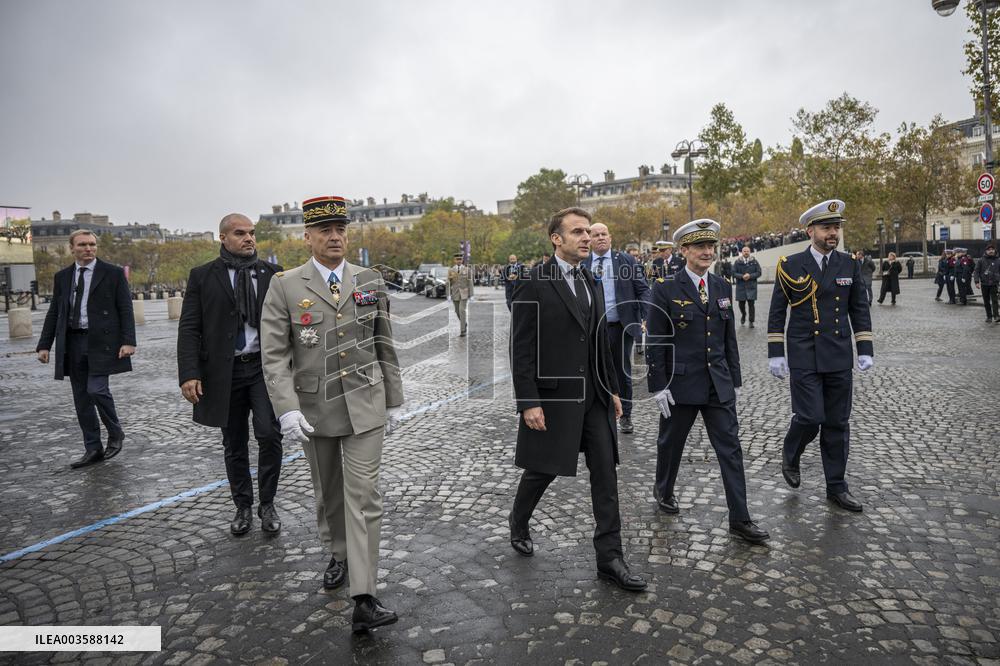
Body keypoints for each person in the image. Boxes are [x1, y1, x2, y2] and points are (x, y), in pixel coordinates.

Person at [260, 196, 404, 633]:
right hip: (315, 408)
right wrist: (285, 410)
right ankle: (339, 552)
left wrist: (393, 398)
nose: (335, 236)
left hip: (365, 404)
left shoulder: (370, 279)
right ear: (307, 236)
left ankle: (364, 595)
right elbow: (274, 355)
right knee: (330, 495)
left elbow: (384, 340)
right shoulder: (285, 285)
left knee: (364, 497)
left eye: (340, 228)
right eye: (325, 230)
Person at [507, 207, 647, 592]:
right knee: (543, 469)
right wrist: (528, 402)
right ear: (557, 238)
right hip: (554, 399)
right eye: (578, 232)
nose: (587, 238)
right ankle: (519, 519)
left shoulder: (591, 279)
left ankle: (610, 559)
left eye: (589, 232)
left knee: (605, 474)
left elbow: (601, 342)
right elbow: (521, 349)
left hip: (596, 399)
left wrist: (614, 389)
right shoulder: (534, 282)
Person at [645, 220, 769, 544]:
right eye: (699, 247)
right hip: (681, 386)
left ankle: (740, 518)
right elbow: (657, 340)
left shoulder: (721, 286)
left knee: (730, 450)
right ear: (683, 251)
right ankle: (664, 490)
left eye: (710, 246)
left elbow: (729, 338)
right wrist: (658, 385)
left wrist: (735, 379)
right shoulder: (665, 288)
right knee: (670, 445)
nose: (706, 252)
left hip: (718, 384)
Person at [177, 213, 284, 535]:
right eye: (240, 233)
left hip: (265, 369)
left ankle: (268, 503)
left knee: (269, 434)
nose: (249, 238)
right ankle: (243, 507)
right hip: (224, 372)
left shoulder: (273, 275)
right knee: (234, 442)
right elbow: (189, 327)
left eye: (252, 233)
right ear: (222, 237)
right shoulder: (202, 276)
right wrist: (189, 373)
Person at [767, 200, 873, 512]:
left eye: (837, 227)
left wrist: (864, 348)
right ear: (810, 230)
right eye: (827, 227)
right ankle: (792, 450)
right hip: (804, 353)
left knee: (838, 423)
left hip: (839, 354)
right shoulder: (790, 264)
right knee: (811, 417)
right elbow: (776, 312)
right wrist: (776, 353)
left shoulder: (848, 264)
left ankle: (837, 487)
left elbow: (859, 309)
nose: (833, 233)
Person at [36, 230, 135, 469]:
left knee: (96, 389)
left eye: (92, 244)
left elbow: (125, 308)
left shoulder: (112, 273)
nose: (88, 248)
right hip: (73, 342)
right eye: (82, 245)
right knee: (81, 399)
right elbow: (54, 312)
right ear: (72, 248)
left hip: (102, 342)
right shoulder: (63, 276)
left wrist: (129, 341)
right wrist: (44, 345)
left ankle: (115, 432)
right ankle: (92, 448)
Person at [581, 222, 650, 435]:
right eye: (596, 235)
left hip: (621, 326)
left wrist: (647, 317)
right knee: (591, 370)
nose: (600, 237)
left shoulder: (626, 260)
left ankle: (626, 415)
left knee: (621, 371)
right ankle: (594, 414)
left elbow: (643, 290)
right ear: (589, 239)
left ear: (610, 238)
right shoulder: (582, 262)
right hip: (591, 328)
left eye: (604, 234)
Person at [732, 246, 761, 327]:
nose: (746, 252)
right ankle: (743, 315)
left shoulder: (754, 261)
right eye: (744, 251)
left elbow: (759, 272)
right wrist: (742, 276)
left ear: (750, 252)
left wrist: (750, 275)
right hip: (741, 287)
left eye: (747, 251)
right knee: (741, 305)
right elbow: (733, 273)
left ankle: (751, 321)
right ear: (742, 252)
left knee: (751, 305)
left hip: (751, 287)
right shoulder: (737, 262)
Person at [447, 252, 473, 336]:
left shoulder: (467, 270)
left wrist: (471, 294)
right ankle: (463, 322)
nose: (459, 261)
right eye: (457, 259)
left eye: (460, 259)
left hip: (464, 293)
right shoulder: (451, 270)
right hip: (455, 293)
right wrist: (448, 294)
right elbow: (448, 282)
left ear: (462, 260)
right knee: (457, 311)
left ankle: (463, 330)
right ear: (454, 260)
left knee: (462, 310)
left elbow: (470, 282)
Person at [974, 245, 1000, 323]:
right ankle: (989, 316)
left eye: (992, 249)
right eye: (989, 250)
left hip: (994, 283)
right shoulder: (981, 260)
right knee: (986, 301)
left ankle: (996, 316)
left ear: (995, 251)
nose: (991, 251)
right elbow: (976, 271)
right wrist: (976, 281)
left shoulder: (998, 260)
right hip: (984, 283)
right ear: (986, 251)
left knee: (995, 300)